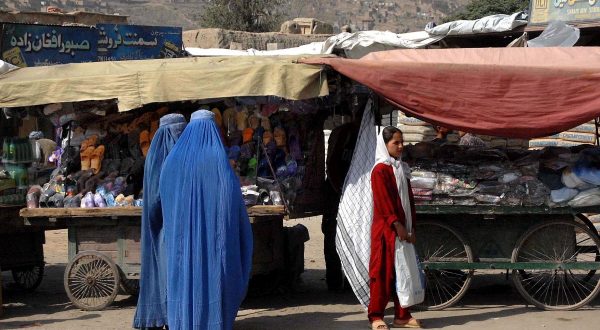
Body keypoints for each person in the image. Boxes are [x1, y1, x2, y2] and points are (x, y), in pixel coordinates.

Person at [160, 109, 253, 330]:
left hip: (179, 243)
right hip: (214, 242)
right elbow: (232, 206)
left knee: (181, 277)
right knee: (214, 277)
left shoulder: (172, 161)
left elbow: (165, 201)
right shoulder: (218, 161)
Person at [134, 114, 187, 330]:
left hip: (172, 228)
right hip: (164, 229)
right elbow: (156, 198)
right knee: (166, 272)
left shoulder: (160, 155)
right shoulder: (161, 158)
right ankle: (166, 316)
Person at [369, 126, 421, 330]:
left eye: (402, 142)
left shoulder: (401, 168)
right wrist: (396, 224)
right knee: (382, 273)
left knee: (405, 271)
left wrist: (411, 227)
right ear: (385, 145)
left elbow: (409, 200)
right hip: (386, 231)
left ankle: (402, 315)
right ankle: (375, 316)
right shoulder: (380, 170)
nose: (400, 146)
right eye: (395, 143)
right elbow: (383, 202)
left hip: (403, 229)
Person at [322, 120, 360, 292]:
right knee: (332, 235)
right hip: (336, 191)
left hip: (350, 191)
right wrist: (340, 190)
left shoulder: (364, 134)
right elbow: (331, 165)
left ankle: (349, 280)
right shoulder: (344, 133)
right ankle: (334, 280)